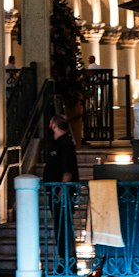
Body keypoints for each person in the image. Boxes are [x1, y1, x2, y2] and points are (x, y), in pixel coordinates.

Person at [43, 114, 80, 266]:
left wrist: (62, 189)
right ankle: (64, 260)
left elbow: (67, 170)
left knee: (63, 227)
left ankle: (67, 262)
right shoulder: (57, 143)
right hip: (56, 191)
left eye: (51, 124)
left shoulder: (65, 144)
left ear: (55, 126)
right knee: (60, 227)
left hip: (61, 193)